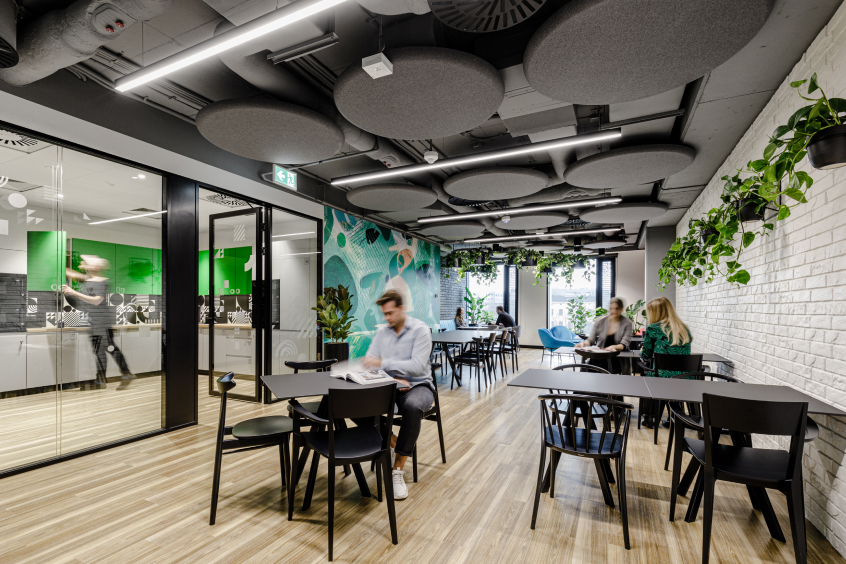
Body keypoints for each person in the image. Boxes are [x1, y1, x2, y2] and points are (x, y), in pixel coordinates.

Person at [355, 289, 434, 500]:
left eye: (390, 313)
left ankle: (397, 469)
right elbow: (371, 358)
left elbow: (417, 367)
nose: (387, 318)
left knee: (412, 406)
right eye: (385, 314)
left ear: (401, 308)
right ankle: (395, 443)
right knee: (353, 404)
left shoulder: (420, 330)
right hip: (390, 385)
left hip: (419, 386)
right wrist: (388, 375)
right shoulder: (383, 333)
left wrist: (383, 364)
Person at [62, 255, 135, 390]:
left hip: (102, 321)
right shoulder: (88, 279)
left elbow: (96, 301)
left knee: (109, 348)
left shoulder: (102, 282)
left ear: (95, 267)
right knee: (100, 351)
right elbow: (70, 272)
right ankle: (101, 380)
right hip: (94, 322)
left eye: (86, 264)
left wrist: (73, 292)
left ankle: (124, 374)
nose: (83, 266)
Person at [639, 296, 692, 428]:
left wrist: (642, 350)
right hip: (684, 378)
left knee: (646, 378)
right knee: (658, 374)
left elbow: (645, 355)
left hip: (662, 378)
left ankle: (650, 418)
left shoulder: (653, 329)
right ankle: (673, 417)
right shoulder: (684, 329)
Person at [576, 297, 632, 373]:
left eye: (616, 308)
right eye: (611, 308)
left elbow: (625, 344)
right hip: (599, 356)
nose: (613, 311)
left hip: (616, 358)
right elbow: (591, 339)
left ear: (621, 309)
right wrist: (584, 343)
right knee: (592, 371)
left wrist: (614, 347)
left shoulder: (627, 323)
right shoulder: (600, 321)